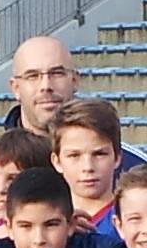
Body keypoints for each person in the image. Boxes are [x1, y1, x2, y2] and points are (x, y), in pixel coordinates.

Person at [0, 36, 147, 237]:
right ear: (15, 88)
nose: (46, 86)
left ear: (75, 80)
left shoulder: (135, 164)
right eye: (33, 76)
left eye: (57, 73)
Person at [48, 99, 126, 235]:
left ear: (117, 157)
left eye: (99, 154)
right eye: (74, 155)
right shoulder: (43, 227)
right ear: (57, 161)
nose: (88, 167)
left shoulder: (133, 222)